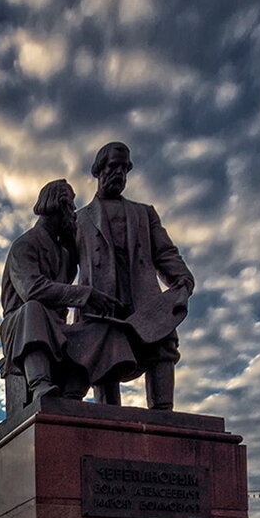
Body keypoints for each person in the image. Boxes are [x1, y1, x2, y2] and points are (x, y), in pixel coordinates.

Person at [74, 142, 195, 409]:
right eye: (113, 166)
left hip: (143, 296)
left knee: (163, 347)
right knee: (103, 362)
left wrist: (182, 279)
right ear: (98, 169)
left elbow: (164, 252)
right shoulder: (79, 219)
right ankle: (108, 420)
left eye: (124, 168)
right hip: (101, 302)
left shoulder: (144, 212)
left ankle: (164, 417)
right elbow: (63, 273)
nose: (119, 172)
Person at [0, 179, 131, 404]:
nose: (73, 213)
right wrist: (85, 294)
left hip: (57, 329)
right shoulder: (24, 245)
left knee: (103, 328)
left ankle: (73, 392)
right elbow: (32, 289)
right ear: (59, 206)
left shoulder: (64, 253)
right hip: (21, 325)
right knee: (34, 308)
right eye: (70, 206)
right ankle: (39, 383)